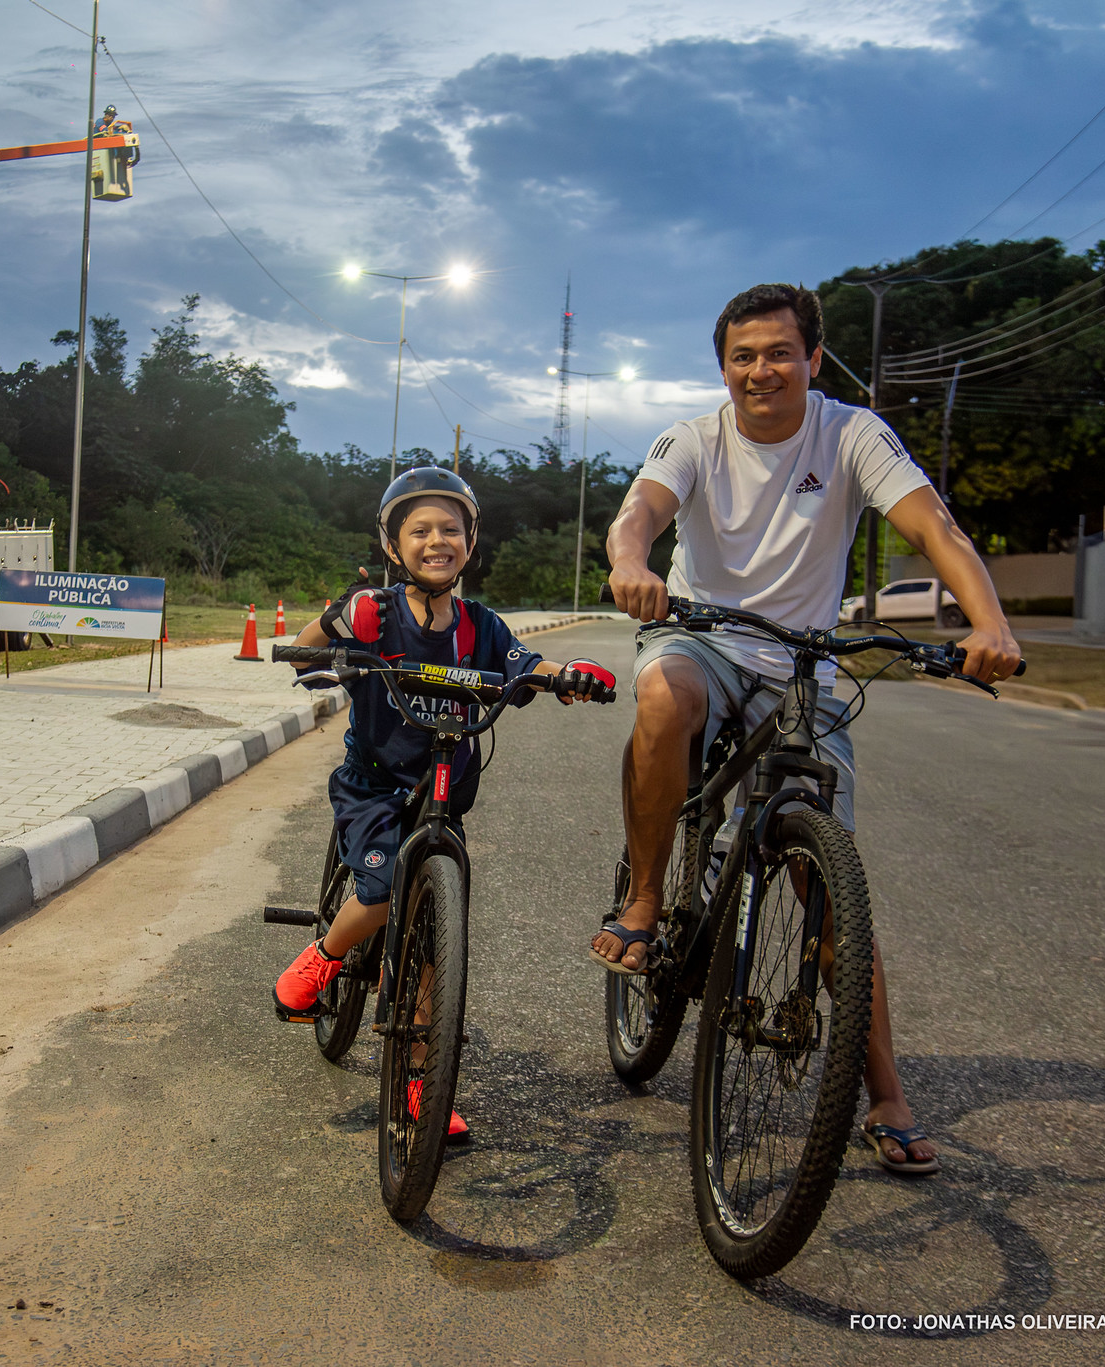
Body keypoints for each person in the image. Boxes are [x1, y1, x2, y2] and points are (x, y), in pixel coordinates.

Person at [597, 283, 1022, 1175]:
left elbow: (931, 522)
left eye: (779, 353)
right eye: (743, 356)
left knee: (834, 888)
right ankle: (643, 897)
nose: (762, 370)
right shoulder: (696, 436)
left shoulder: (851, 434)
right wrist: (631, 562)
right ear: (724, 367)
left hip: (804, 665)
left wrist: (990, 621)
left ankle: (888, 1094)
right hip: (702, 636)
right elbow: (639, 512)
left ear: (813, 360)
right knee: (664, 699)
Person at [273, 466, 615, 1139]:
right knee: (379, 887)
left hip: (440, 799)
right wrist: (336, 622)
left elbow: (525, 662)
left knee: (433, 939)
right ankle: (323, 958)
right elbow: (303, 660)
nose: (437, 540)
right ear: (393, 546)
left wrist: (566, 675)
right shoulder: (374, 611)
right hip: (375, 789)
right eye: (420, 530)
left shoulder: (479, 626)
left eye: (450, 529)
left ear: (470, 541)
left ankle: (421, 1082)